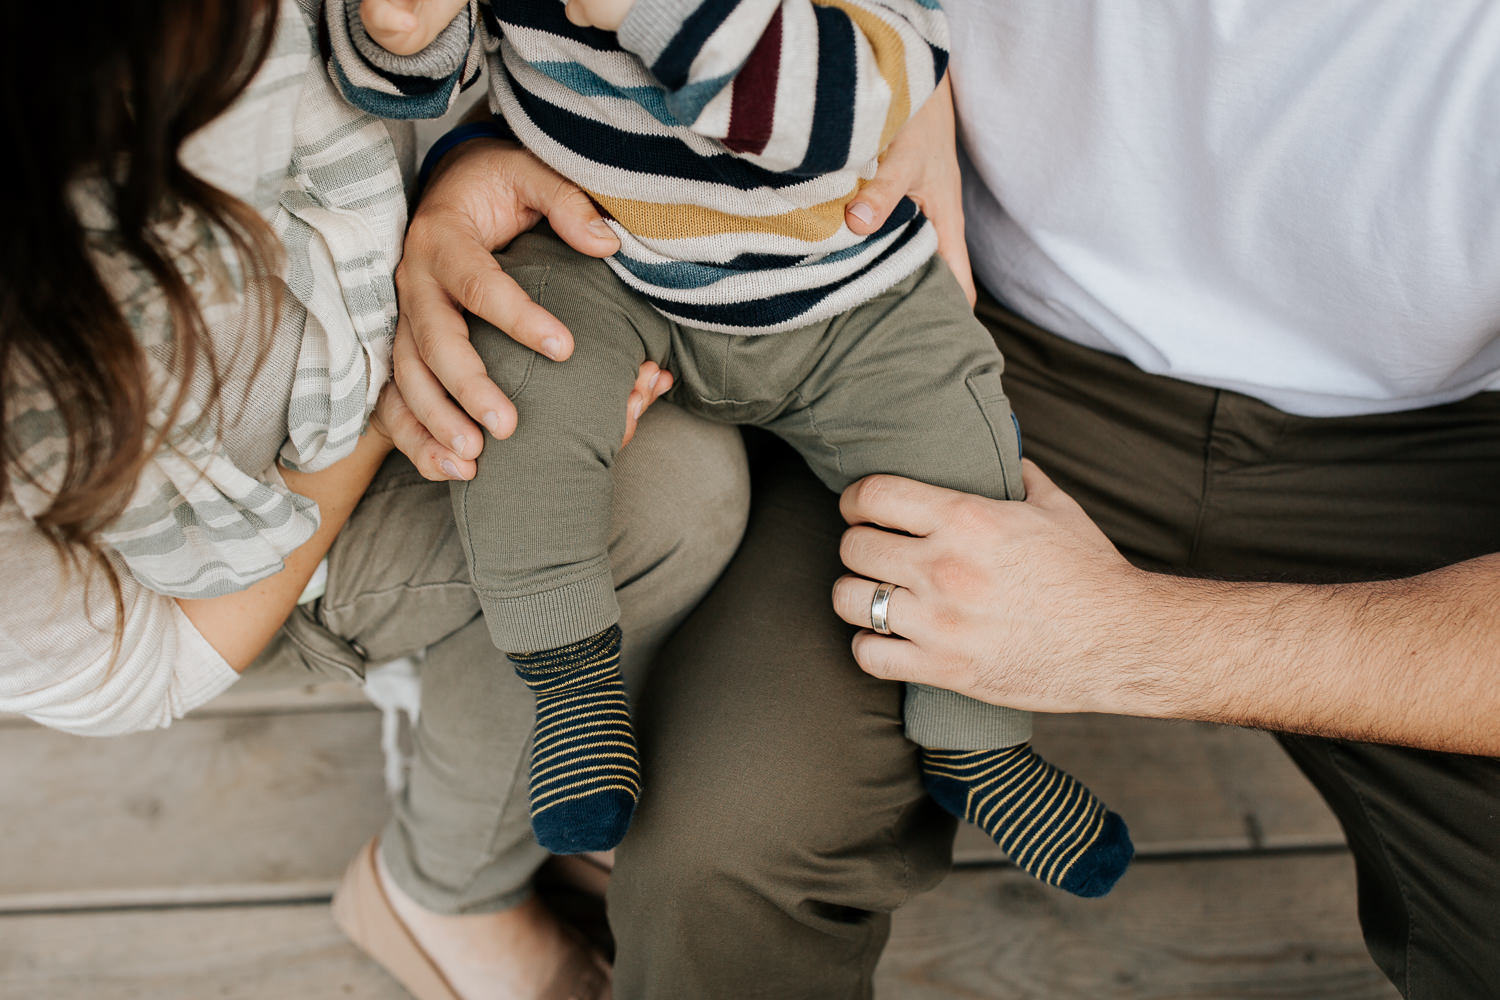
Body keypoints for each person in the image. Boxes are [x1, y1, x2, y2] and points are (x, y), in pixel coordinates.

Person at [0, 2, 749, 998]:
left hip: (436, 253)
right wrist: (381, 423)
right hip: (248, 547)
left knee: (661, 402)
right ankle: (443, 887)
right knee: (659, 498)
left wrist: (455, 161)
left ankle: (514, 750)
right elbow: (141, 665)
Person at [332, 0, 1131, 896]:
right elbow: (425, 80)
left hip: (846, 291)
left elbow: (837, 120)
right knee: (519, 397)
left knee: (960, 460)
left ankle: (977, 742)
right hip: (603, 255)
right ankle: (571, 687)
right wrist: (403, 37)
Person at [815, 2, 1500, 997]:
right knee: (742, 815)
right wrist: (872, 40)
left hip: (1433, 440)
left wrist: (1123, 636)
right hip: (988, 326)